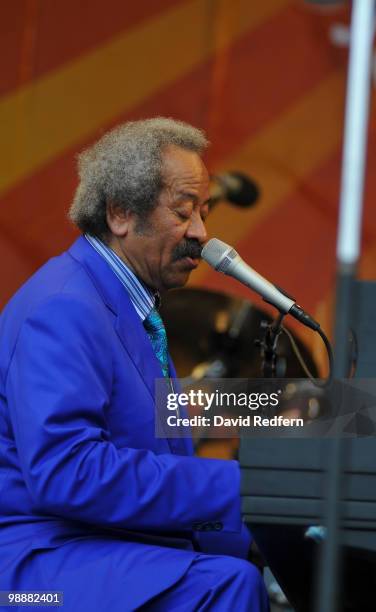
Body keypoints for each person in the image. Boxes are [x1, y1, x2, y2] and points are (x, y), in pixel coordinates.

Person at [0, 118, 270, 611]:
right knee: (227, 585)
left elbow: (167, 416)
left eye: (205, 213)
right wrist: (245, 484)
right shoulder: (64, 306)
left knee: (257, 563)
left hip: (97, 547)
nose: (202, 234)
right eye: (184, 212)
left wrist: (331, 412)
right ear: (121, 213)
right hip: (36, 569)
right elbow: (69, 471)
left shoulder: (123, 303)